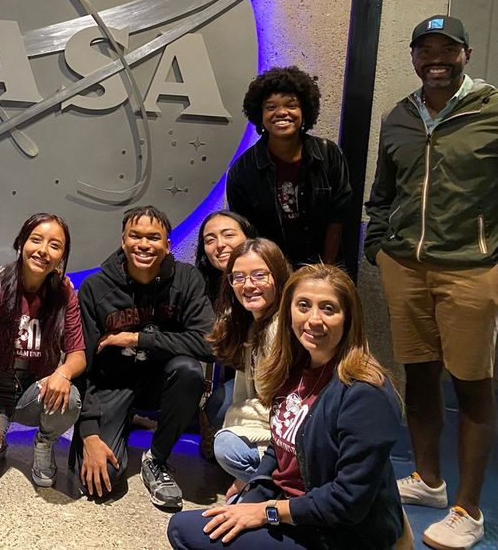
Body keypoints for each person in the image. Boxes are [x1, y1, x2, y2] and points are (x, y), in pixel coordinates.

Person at [365, 14, 498, 550]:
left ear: (465, 53)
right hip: (405, 265)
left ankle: (469, 509)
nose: (436, 59)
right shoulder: (399, 116)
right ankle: (429, 481)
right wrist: (378, 246)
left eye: (448, 49)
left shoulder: (491, 111)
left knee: (471, 386)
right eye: (426, 50)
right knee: (418, 375)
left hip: (471, 268)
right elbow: (383, 190)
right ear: (414, 56)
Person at [166, 265, 405, 549]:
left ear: (349, 319)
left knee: (184, 531)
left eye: (328, 308)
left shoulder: (365, 393)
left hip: (337, 533)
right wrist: (254, 495)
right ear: (288, 311)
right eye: (303, 305)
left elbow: (347, 502)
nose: (313, 319)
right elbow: (278, 449)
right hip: (294, 508)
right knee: (219, 518)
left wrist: (267, 512)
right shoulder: (295, 367)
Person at [70, 205, 213, 509]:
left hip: (161, 382)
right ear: (123, 241)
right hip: (112, 385)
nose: (144, 244)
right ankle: (122, 422)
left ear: (167, 245)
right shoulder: (95, 288)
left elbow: (208, 344)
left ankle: (156, 459)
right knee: (99, 483)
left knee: (189, 370)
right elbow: (83, 364)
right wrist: (89, 434)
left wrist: (139, 338)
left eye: (153, 237)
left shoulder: (187, 280)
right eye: (135, 236)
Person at [0, 213, 85, 495]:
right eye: (36, 240)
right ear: (21, 243)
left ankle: (44, 444)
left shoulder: (65, 295)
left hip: (34, 390)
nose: (43, 250)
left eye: (54, 245)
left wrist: (63, 372)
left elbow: (78, 355)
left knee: (69, 397)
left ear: (62, 257)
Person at [226, 66, 351, 267]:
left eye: (291, 105)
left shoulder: (329, 155)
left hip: (324, 266)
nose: (282, 112)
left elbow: (337, 219)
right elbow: (246, 233)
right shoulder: (242, 170)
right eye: (271, 107)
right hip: (268, 270)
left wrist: (325, 269)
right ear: (260, 114)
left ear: (304, 110)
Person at [206, 238, 289, 499]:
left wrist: (237, 416)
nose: (248, 285)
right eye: (238, 277)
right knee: (222, 412)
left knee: (226, 443)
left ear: (278, 275)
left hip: (287, 437)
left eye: (259, 275)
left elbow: (285, 408)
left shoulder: (282, 328)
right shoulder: (252, 324)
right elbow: (245, 395)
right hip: (264, 423)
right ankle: (257, 484)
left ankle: (276, 486)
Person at [197, 210, 258, 432]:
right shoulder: (207, 287)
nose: (219, 245)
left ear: (248, 237)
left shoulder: (268, 280)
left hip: (270, 379)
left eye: (228, 235)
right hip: (238, 377)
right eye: (210, 240)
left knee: (217, 410)